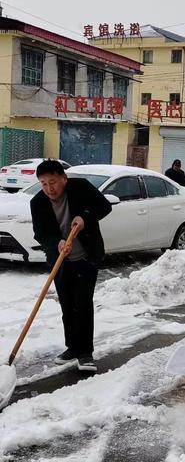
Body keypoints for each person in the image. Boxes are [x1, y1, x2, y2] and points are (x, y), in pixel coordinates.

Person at [30, 159, 112, 372]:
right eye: (44, 184)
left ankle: (85, 353)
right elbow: (40, 233)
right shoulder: (37, 203)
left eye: (53, 182)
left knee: (82, 303)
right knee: (67, 305)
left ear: (64, 179)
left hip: (85, 256)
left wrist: (84, 217)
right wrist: (55, 242)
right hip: (61, 261)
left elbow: (104, 206)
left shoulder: (81, 188)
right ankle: (72, 348)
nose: (49, 188)